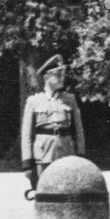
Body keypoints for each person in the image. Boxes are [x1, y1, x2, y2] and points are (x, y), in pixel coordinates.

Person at [21, 54, 86, 191]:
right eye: (58, 74)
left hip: (67, 152)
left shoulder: (70, 99)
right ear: (46, 77)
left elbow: (78, 129)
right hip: (43, 155)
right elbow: (26, 134)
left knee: (68, 191)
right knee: (45, 193)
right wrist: (27, 162)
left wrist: (80, 153)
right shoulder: (34, 101)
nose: (62, 78)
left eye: (63, 74)